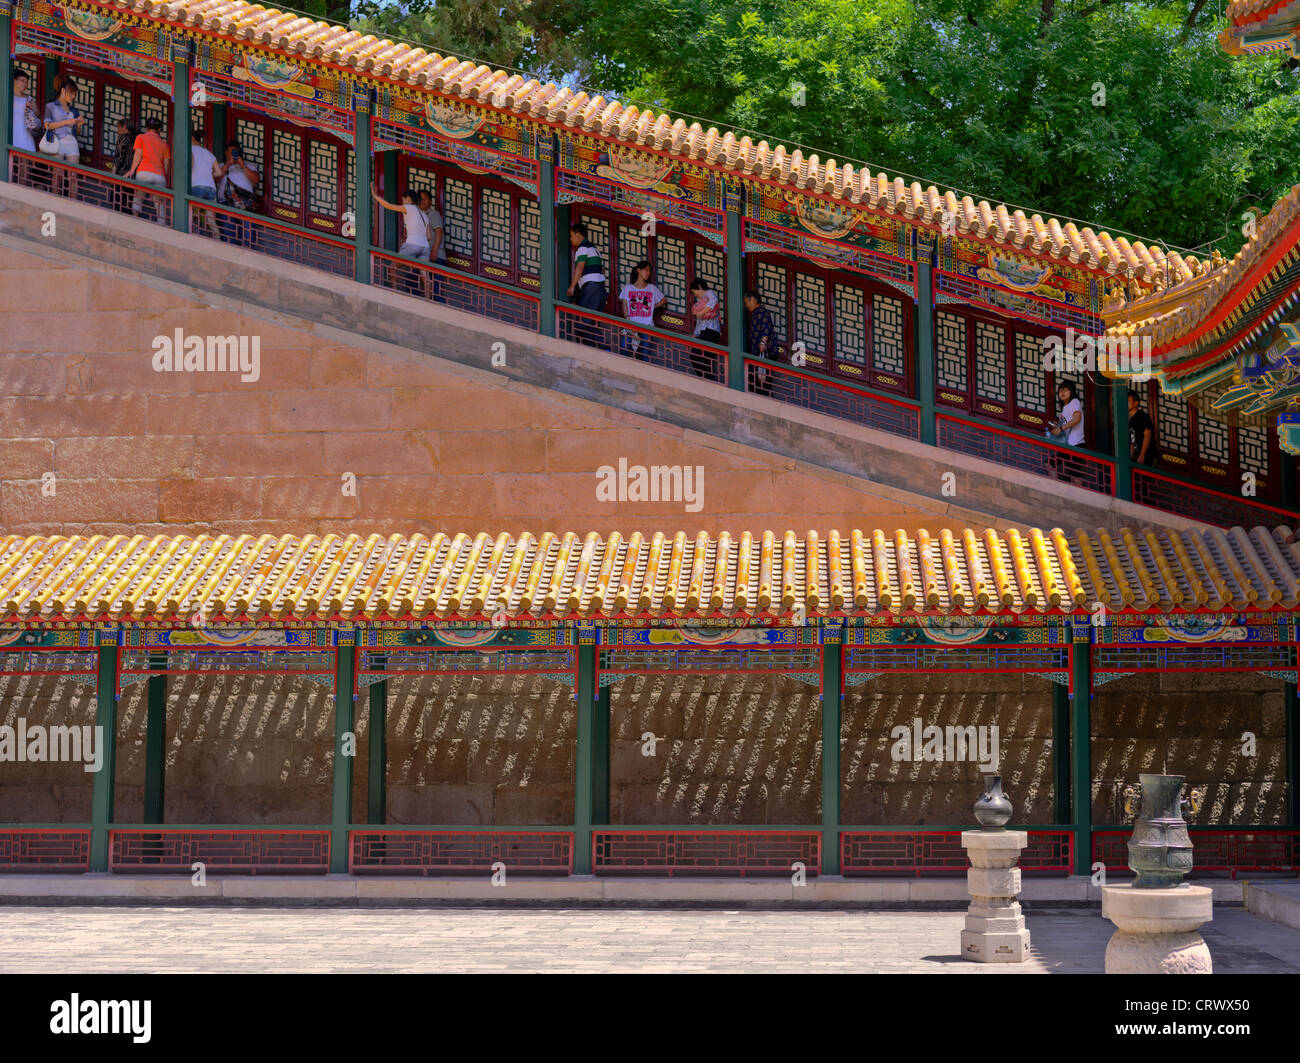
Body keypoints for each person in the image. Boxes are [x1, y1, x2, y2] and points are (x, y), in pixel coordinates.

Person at [371, 184, 429, 297]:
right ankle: (428, 299)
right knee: (425, 275)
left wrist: (374, 195)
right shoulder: (424, 215)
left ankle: (395, 292)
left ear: (408, 199)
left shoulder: (409, 208)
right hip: (425, 247)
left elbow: (388, 205)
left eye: (404, 199)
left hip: (412, 244)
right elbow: (429, 236)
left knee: (393, 267)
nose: (403, 202)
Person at [567, 223, 608, 347]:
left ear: (578, 235)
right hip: (600, 290)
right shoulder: (595, 250)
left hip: (591, 289)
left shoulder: (583, 248)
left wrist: (572, 286)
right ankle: (600, 350)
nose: (570, 239)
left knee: (582, 324)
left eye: (571, 236)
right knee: (592, 324)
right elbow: (602, 271)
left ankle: (597, 349)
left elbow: (580, 267)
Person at [42, 77, 84, 197]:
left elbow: (77, 133)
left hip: (72, 144)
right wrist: (67, 122)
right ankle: (55, 201)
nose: (73, 96)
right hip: (58, 142)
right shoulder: (51, 106)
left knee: (73, 176)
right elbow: (48, 125)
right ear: (62, 91)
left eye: (74, 94)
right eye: (71, 93)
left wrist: (79, 125)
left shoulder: (74, 111)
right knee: (57, 174)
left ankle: (73, 204)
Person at [215, 140, 260, 247]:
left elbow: (256, 180)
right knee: (228, 236)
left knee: (248, 236)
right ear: (226, 153)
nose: (235, 155)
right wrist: (227, 165)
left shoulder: (249, 166)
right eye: (232, 152)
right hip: (227, 205)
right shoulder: (221, 166)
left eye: (237, 152)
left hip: (245, 206)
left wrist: (243, 166)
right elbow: (215, 179)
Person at [618, 260, 665, 361]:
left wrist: (652, 307)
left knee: (645, 354)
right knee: (624, 350)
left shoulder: (652, 288)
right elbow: (624, 303)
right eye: (646, 270)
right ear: (638, 270)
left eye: (649, 271)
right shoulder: (628, 288)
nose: (648, 273)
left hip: (646, 325)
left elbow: (664, 300)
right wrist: (627, 318)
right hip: (631, 324)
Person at [127, 116, 170, 224]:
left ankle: (135, 217)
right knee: (160, 203)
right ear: (159, 129)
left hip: (144, 172)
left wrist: (132, 169)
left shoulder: (141, 137)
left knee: (139, 196)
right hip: (159, 175)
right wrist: (164, 177)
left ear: (146, 127)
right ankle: (161, 224)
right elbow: (166, 164)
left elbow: (138, 154)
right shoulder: (164, 144)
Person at [744, 289, 777, 395]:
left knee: (763, 379)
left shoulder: (761, 312)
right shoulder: (755, 313)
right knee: (758, 378)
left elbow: (766, 328)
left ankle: (764, 397)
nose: (746, 305)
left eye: (747, 302)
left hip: (764, 351)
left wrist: (763, 343)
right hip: (757, 352)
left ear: (753, 300)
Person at [688, 277, 722, 377]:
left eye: (695, 293)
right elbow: (699, 323)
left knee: (697, 354)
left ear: (699, 287)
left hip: (711, 331)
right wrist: (695, 334)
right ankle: (707, 379)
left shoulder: (709, 293)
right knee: (705, 359)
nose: (696, 296)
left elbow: (714, 301)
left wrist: (702, 312)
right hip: (704, 332)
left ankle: (708, 378)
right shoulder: (701, 302)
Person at [189, 128, 221, 236]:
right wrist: (208, 176)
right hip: (211, 188)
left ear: (192, 139)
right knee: (211, 220)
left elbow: (190, 167)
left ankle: (192, 236)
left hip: (197, 186)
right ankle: (218, 240)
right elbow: (219, 173)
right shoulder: (209, 154)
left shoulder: (190, 150)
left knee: (193, 214)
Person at [418, 188, 446, 302]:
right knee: (413, 279)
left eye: (425, 199)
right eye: (420, 199)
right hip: (423, 256)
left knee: (436, 288)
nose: (422, 201)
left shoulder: (433, 214)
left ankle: (440, 309)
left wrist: (434, 250)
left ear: (430, 201)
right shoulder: (418, 216)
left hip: (435, 256)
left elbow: (439, 232)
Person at [110, 119, 137, 214]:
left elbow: (119, 155)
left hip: (121, 173)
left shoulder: (123, 137)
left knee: (118, 202)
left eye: (118, 127)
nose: (117, 130)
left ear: (124, 127)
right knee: (128, 204)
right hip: (132, 176)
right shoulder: (136, 138)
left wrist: (114, 170)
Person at [1128, 388, 1158, 467]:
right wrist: (1130, 457)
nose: (1125, 403)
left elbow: (1147, 434)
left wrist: (1142, 454)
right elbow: (1132, 440)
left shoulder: (1142, 416)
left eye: (1128, 401)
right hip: (1136, 457)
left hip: (1148, 456)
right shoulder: (1131, 420)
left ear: (1136, 403)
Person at [12, 71, 40, 155]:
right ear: (14, 80)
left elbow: (38, 115)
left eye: (26, 82)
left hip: (25, 134)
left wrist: (31, 107)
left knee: (24, 163)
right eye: (22, 81)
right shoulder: (7, 95)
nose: (25, 84)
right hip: (10, 133)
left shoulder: (29, 99)